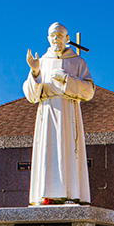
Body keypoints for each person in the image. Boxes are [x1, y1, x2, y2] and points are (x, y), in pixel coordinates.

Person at [24, 23, 95, 205]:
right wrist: (35, 72)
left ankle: (70, 195)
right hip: (47, 112)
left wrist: (66, 79)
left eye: (59, 35)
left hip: (68, 111)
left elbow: (89, 91)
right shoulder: (43, 62)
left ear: (67, 38)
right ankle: (45, 195)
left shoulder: (78, 62)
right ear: (48, 38)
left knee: (68, 150)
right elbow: (32, 95)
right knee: (48, 149)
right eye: (52, 35)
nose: (56, 38)